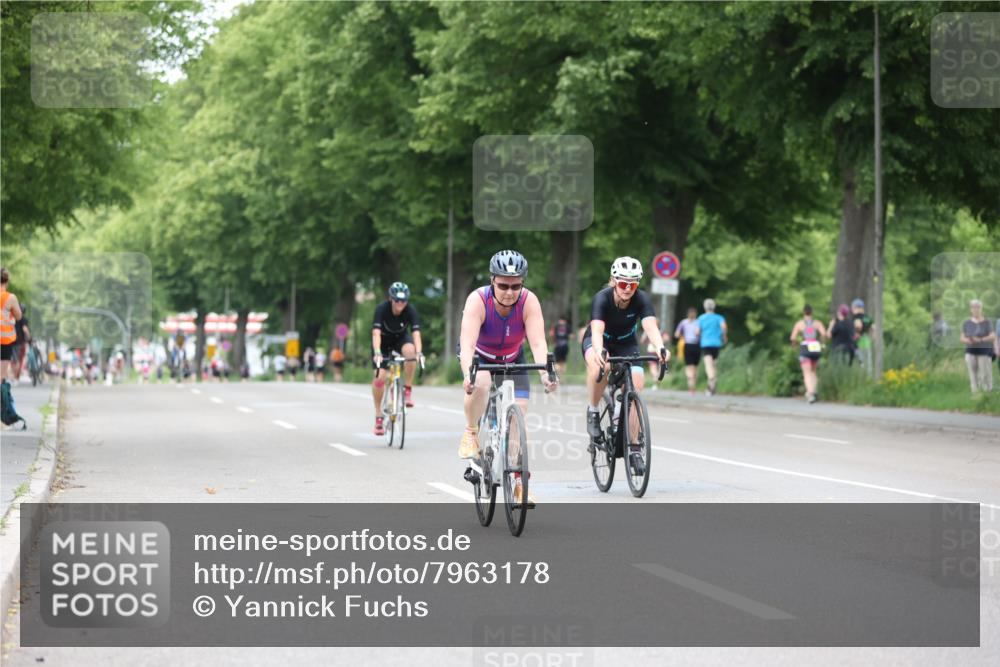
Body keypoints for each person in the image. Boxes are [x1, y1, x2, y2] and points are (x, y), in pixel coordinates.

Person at [458, 250, 557, 506]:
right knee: (481, 383)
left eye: (515, 286)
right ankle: (470, 432)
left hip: (513, 357)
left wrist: (546, 373)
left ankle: (520, 484)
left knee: (519, 417)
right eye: (503, 285)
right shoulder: (478, 300)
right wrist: (467, 374)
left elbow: (537, 342)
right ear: (492, 281)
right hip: (480, 356)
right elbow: (467, 345)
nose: (509, 292)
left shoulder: (529, 301)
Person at [583, 257, 669, 476]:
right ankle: (593, 412)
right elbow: (597, 332)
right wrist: (601, 351)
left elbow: (650, 327)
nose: (627, 289)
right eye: (623, 284)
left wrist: (660, 348)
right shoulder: (601, 299)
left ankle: (634, 450)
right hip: (600, 341)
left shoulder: (641, 299)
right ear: (614, 281)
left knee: (637, 383)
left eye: (632, 284)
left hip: (626, 343)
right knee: (597, 366)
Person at [371, 282, 424, 435]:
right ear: (391, 299)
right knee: (380, 377)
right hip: (382, 342)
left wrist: (419, 353)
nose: (400, 304)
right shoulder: (382, 309)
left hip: (400, 339)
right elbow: (375, 333)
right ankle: (379, 415)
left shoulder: (410, 310)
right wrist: (377, 352)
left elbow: (416, 334)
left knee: (411, 351)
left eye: (403, 301)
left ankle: (407, 389)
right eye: (397, 301)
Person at [790, 304, 829, 404]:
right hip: (815, 346)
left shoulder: (799, 324)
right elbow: (824, 334)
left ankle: (810, 393)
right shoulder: (817, 323)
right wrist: (822, 343)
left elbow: (793, 338)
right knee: (813, 371)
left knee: (806, 372)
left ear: (804, 312)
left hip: (805, 346)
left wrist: (796, 345)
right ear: (812, 312)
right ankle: (814, 391)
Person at [960, 299, 995, 393]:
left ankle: (987, 394)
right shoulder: (966, 323)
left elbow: (992, 336)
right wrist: (968, 340)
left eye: (978, 307)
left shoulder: (987, 322)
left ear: (981, 308)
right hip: (970, 351)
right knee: (973, 375)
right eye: (974, 307)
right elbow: (962, 337)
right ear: (971, 309)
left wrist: (980, 339)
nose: (976, 309)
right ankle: (975, 394)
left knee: (985, 374)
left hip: (984, 351)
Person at [697, 298, 727, 396]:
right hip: (716, 344)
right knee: (714, 364)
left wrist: (700, 335)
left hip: (706, 343)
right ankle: (712, 385)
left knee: (708, 365)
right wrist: (724, 336)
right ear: (714, 307)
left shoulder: (701, 318)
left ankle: (711, 382)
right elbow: (724, 327)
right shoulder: (719, 317)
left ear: (705, 307)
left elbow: (697, 332)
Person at [1, 268, 24, 383]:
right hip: (4, 340)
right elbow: (19, 316)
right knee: (1, 375)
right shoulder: (10, 298)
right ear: (7, 281)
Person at [674, 307, 701, 395]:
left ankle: (690, 383)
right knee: (695, 367)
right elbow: (700, 333)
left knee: (689, 366)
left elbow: (677, 334)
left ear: (687, 314)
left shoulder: (683, 322)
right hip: (697, 345)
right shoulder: (698, 322)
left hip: (687, 345)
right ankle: (693, 385)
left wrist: (683, 336)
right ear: (695, 314)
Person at [851, 298, 875, 371]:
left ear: (856, 307)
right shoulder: (867, 317)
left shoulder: (856, 317)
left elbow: (858, 325)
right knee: (868, 363)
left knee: (860, 363)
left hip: (858, 342)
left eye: (853, 307)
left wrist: (857, 333)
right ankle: (869, 380)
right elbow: (874, 327)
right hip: (867, 341)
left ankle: (861, 379)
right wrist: (873, 337)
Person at [10, 306, 31, 383]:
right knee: (18, 359)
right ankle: (15, 377)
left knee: (12, 359)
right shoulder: (23, 319)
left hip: (9, 340)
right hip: (18, 341)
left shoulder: (12, 318)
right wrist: (29, 337)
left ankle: (12, 376)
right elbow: (25, 329)